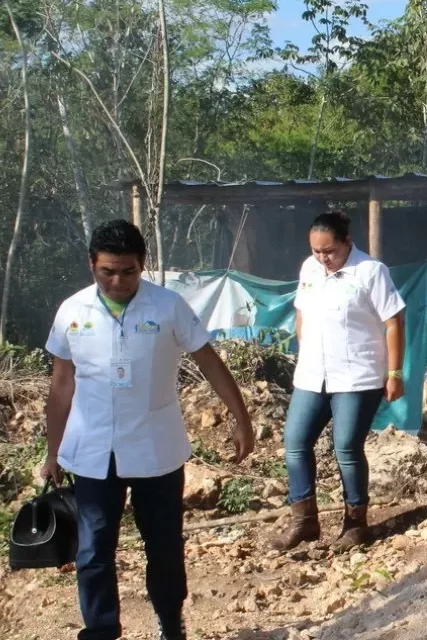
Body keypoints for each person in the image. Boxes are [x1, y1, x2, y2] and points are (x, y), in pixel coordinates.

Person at [40, 219, 254, 640]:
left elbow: (209, 361)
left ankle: (171, 624)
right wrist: (52, 453)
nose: (118, 281)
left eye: (128, 271)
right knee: (94, 547)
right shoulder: (72, 311)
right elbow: (62, 385)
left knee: (164, 546)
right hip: (94, 450)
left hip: (156, 447)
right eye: (108, 271)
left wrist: (241, 418)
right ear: (92, 265)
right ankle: (101, 629)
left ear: (142, 265)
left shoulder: (168, 307)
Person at [272, 210, 406, 552]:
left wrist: (394, 373)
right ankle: (304, 521)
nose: (322, 258)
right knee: (295, 443)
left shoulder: (370, 271)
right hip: (313, 375)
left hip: (358, 376)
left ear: (347, 242)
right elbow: (301, 313)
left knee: (345, 446)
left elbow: (394, 322)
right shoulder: (309, 269)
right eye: (316, 251)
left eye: (328, 251)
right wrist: (306, 353)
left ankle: (355, 523)